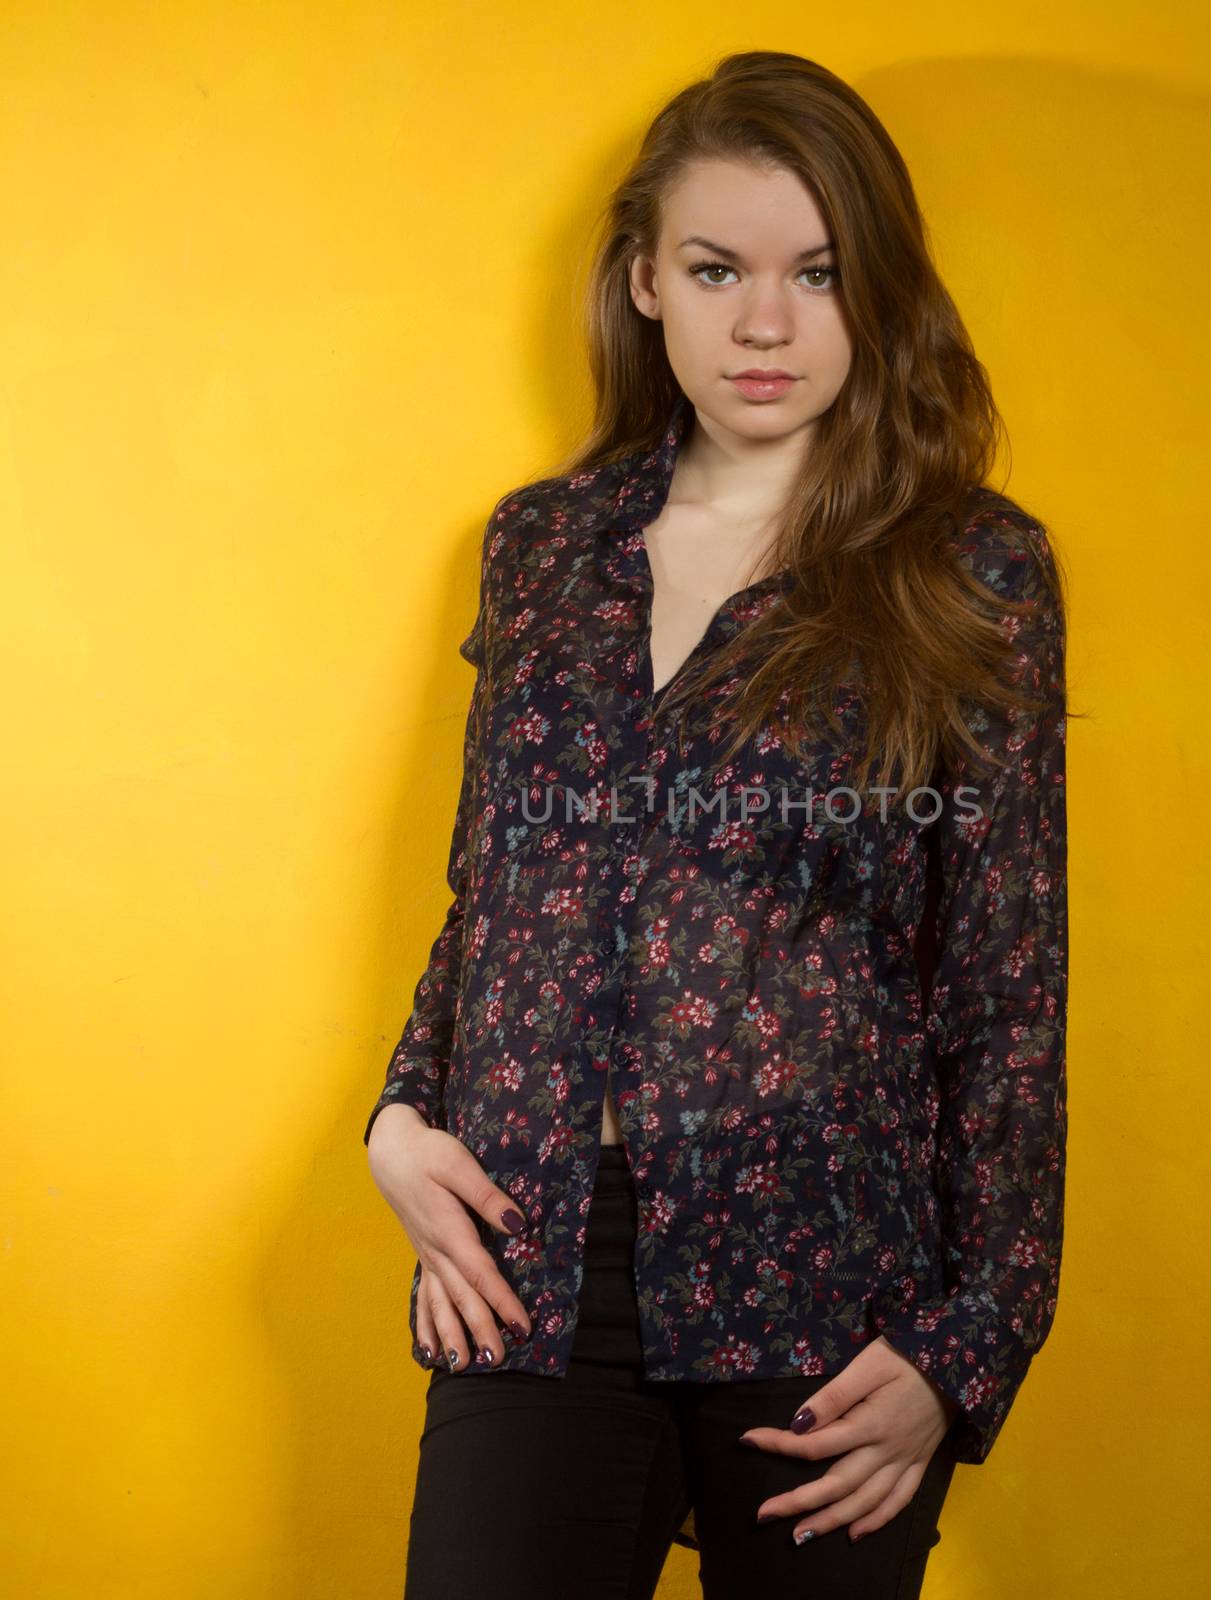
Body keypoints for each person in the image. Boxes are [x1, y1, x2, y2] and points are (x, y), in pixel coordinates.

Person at [363, 48, 1071, 1600]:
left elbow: (1006, 998)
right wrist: (401, 1120)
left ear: (878, 291)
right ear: (643, 283)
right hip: (536, 1261)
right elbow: (499, 897)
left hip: (832, 1286)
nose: (764, 323)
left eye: (818, 273)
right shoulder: (546, 549)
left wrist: (968, 1344)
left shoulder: (974, 571)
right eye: (717, 268)